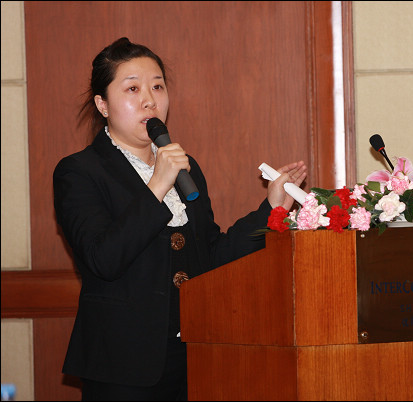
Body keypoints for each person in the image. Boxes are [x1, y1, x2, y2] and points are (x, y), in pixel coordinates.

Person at [53, 37, 307, 401]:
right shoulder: (80, 172)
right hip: (123, 366)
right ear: (102, 104)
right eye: (133, 89)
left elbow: (211, 256)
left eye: (157, 86)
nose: (150, 100)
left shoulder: (187, 169)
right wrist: (157, 185)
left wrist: (271, 209)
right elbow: (102, 259)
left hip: (194, 357)